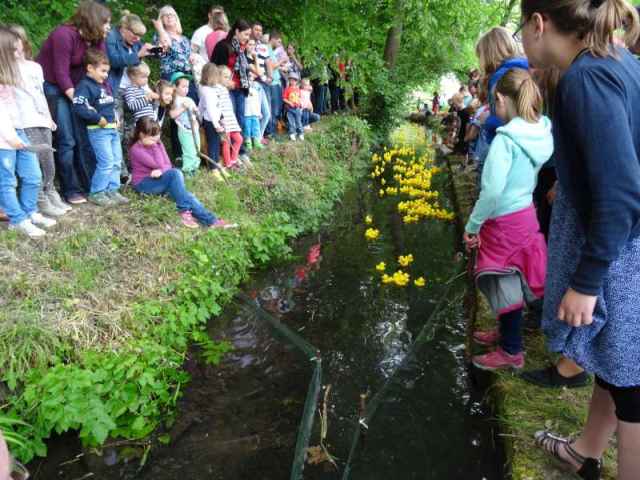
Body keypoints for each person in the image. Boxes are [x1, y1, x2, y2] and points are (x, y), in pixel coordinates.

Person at [518, 1, 640, 478]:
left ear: (538, 23)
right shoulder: (616, 59)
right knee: (613, 361)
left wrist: (586, 282)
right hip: (621, 245)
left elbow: (620, 193)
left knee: (631, 380)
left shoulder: (583, 79)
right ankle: (586, 450)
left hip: (620, 253)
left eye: (522, 30)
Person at [465, 68, 552, 371]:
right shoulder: (541, 131)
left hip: (502, 222)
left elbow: (491, 192)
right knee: (515, 273)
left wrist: (472, 225)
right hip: (526, 214)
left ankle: (511, 350)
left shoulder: (505, 140)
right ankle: (505, 333)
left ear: (500, 99)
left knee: (503, 283)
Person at [37, 0, 111, 204]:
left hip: (78, 89)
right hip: (54, 87)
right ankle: (69, 189)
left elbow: (101, 70)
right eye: (106, 22)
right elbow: (61, 73)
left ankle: (89, 184)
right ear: (93, 20)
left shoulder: (96, 38)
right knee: (67, 139)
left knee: (84, 137)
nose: (109, 27)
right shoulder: (64, 34)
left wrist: (106, 99)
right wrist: (81, 102)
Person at [129, 117, 236, 229]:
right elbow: (159, 164)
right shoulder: (136, 150)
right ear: (141, 135)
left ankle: (212, 221)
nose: (156, 141)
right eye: (152, 139)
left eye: (157, 138)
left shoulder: (157, 143)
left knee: (187, 195)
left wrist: (161, 167)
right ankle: (184, 211)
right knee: (175, 173)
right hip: (143, 183)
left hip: (159, 180)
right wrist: (156, 148)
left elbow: (167, 165)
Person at [11, 24, 70, 218]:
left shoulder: (35, 67)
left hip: (41, 120)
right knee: (34, 164)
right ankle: (39, 199)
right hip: (24, 122)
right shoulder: (7, 70)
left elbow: (40, 94)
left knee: (48, 161)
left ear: (24, 43)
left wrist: (48, 117)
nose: (15, 47)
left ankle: (50, 191)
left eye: (18, 41)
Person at [0, 26, 51, 238]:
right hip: (4, 138)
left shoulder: (10, 75)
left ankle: (30, 211)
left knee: (33, 175)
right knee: (7, 181)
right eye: (13, 50)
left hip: (18, 131)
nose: (18, 53)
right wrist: (10, 137)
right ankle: (17, 220)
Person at [72, 49, 128, 207]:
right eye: (102, 71)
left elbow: (110, 105)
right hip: (98, 131)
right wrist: (97, 118)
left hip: (112, 130)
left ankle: (112, 190)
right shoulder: (84, 86)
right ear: (90, 68)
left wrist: (115, 120)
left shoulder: (105, 85)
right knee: (106, 162)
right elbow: (79, 106)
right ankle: (97, 192)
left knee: (116, 160)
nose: (105, 75)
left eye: (107, 72)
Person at [211, 19, 252, 161]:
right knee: (228, 120)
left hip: (240, 88)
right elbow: (215, 69)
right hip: (226, 90)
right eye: (246, 34)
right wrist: (225, 83)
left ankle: (238, 151)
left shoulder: (242, 48)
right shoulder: (223, 46)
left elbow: (244, 68)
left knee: (239, 119)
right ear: (236, 32)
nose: (248, 38)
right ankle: (226, 151)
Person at [198, 63, 226, 180]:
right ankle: (213, 168)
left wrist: (222, 117)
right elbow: (209, 109)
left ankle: (217, 164)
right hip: (210, 121)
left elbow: (216, 106)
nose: (217, 78)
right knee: (213, 144)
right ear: (209, 76)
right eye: (216, 76)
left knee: (217, 142)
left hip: (215, 120)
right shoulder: (207, 91)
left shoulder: (211, 89)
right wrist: (216, 124)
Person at [169, 72, 200, 175]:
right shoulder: (174, 100)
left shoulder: (189, 99)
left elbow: (196, 111)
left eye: (187, 86)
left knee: (196, 148)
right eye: (183, 86)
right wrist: (183, 108)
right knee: (188, 150)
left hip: (194, 128)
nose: (186, 89)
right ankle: (188, 169)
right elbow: (172, 115)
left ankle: (195, 166)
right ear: (174, 87)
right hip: (184, 130)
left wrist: (196, 111)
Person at [243, 72, 264, 151]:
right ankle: (248, 142)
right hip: (247, 113)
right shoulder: (244, 89)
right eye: (248, 77)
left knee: (256, 127)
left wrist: (259, 112)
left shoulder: (256, 90)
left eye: (251, 77)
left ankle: (256, 141)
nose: (250, 79)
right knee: (247, 128)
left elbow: (257, 102)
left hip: (255, 113)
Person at [283, 74, 304, 141]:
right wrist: (290, 103)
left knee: (298, 121)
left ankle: (300, 133)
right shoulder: (287, 89)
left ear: (296, 81)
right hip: (290, 108)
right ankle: (292, 133)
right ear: (289, 81)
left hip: (297, 108)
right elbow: (284, 98)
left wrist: (300, 103)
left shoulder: (298, 89)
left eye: (294, 80)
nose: (292, 82)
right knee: (291, 122)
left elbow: (300, 97)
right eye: (291, 80)